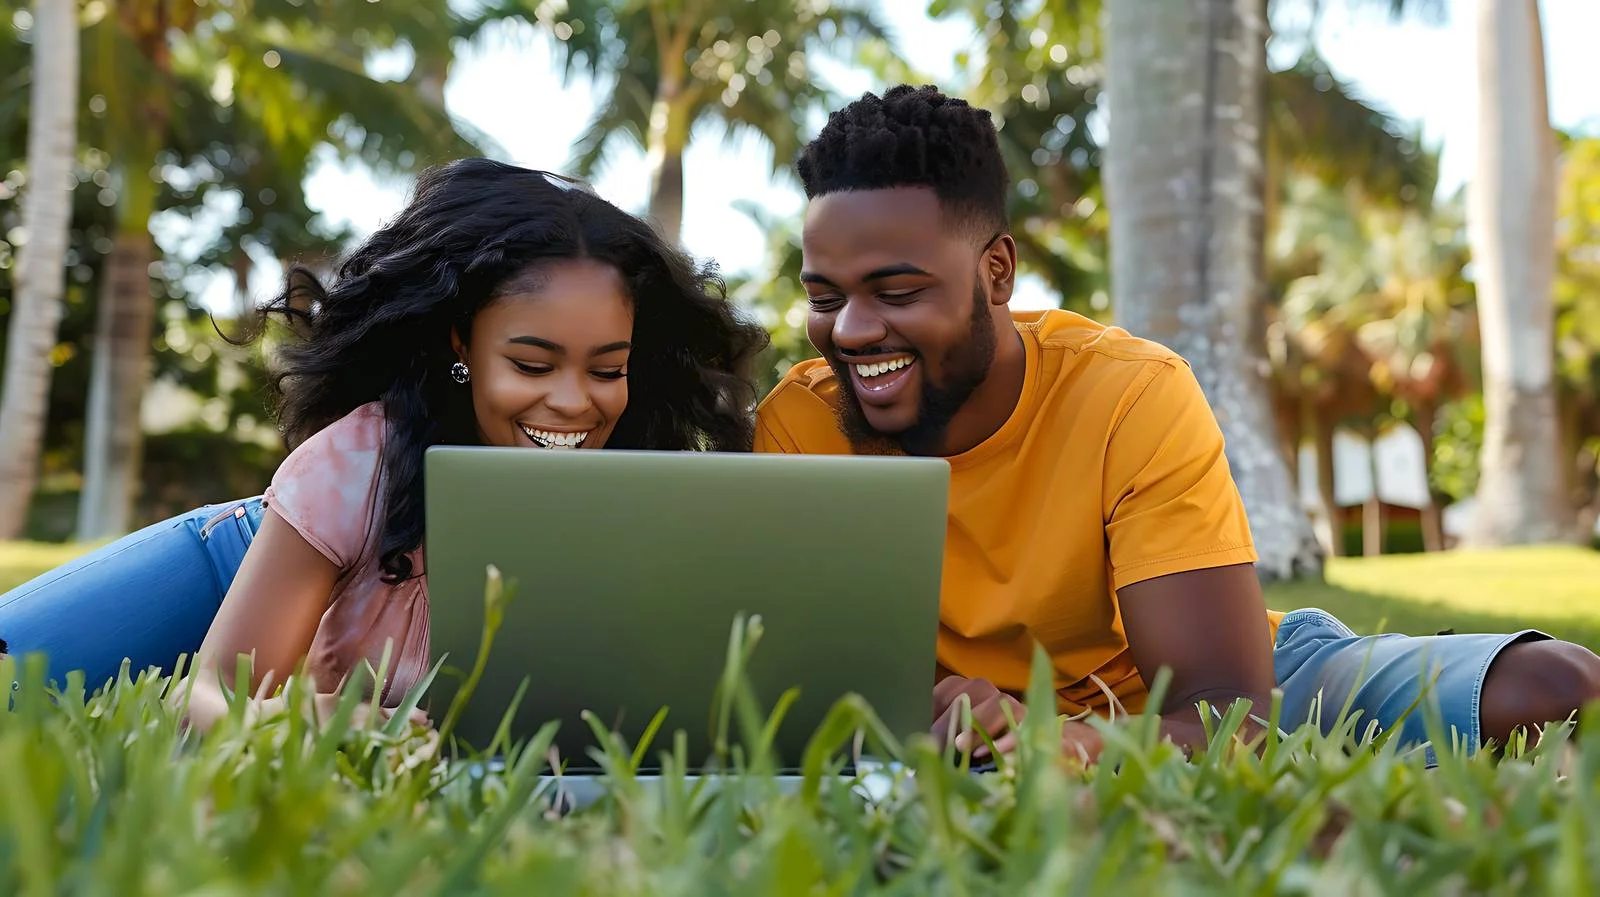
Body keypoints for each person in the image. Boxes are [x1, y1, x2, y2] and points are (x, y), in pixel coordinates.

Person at [754, 84, 1600, 764]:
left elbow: (1230, 720)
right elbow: (798, 705)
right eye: (825, 297)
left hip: (1247, 685)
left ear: (997, 272)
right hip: (968, 734)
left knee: (1560, 687)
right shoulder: (799, 425)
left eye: (896, 292)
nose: (854, 330)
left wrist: (1070, 741)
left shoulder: (1128, 394)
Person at [0, 157, 768, 729]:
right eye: (532, 363)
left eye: (608, 368)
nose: (574, 401)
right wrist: (325, 720)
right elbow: (203, 700)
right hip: (264, 545)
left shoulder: (641, 486)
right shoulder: (357, 461)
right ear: (461, 343)